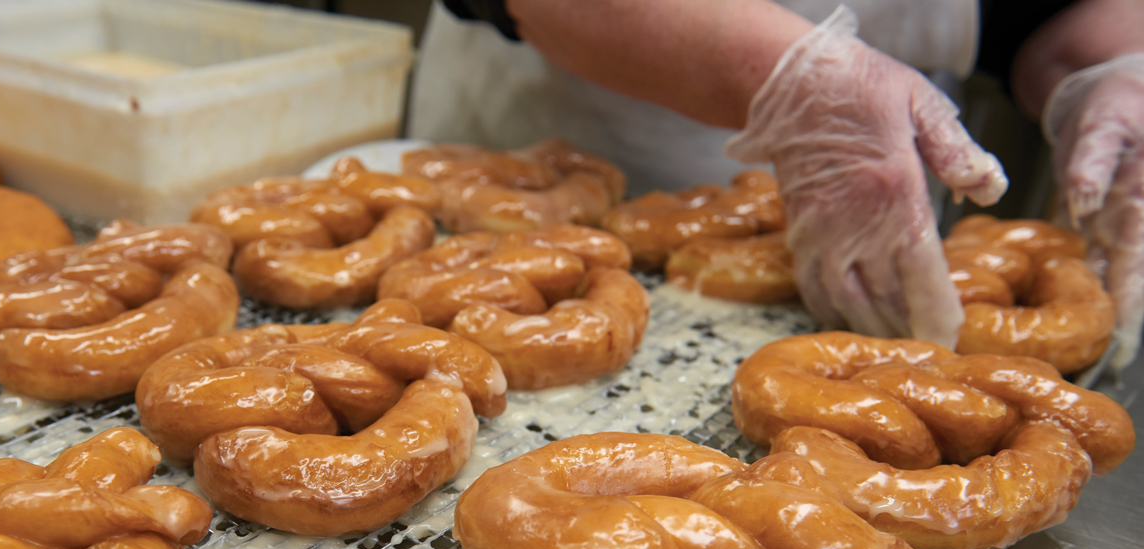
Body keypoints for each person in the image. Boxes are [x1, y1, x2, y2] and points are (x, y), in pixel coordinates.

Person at [410, 0, 1144, 368]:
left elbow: (1063, 14)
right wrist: (784, 78)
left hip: (873, 216)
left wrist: (1117, 70)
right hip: (549, 148)